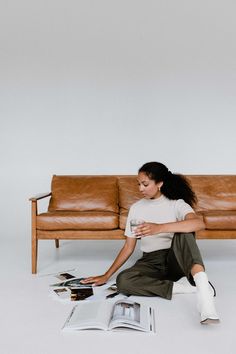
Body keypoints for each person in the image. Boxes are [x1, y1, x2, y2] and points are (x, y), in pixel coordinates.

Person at [82, 162, 220, 324]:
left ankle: (205, 299)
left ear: (160, 183)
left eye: (145, 184)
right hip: (151, 261)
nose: (140, 188)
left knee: (185, 233)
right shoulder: (136, 209)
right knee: (123, 281)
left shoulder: (177, 203)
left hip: (176, 258)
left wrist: (159, 228)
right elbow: (128, 247)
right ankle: (185, 287)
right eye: (139, 184)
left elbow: (198, 224)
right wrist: (106, 275)